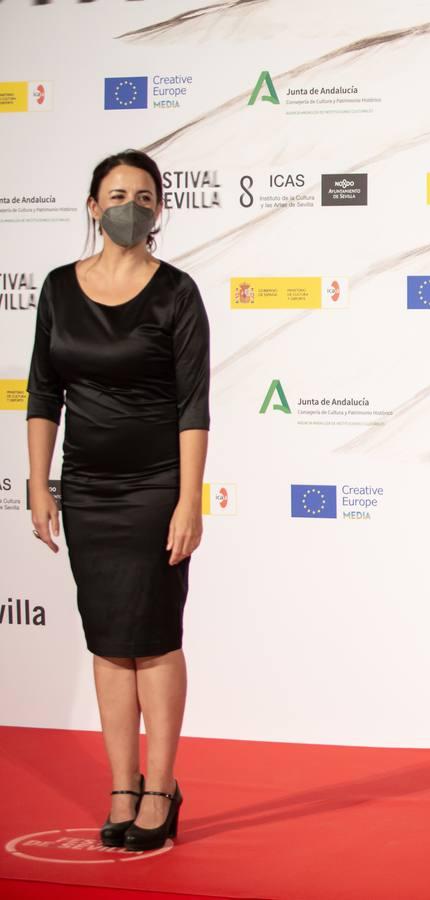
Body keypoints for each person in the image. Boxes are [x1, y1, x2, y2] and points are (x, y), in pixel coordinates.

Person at [27, 150, 210, 852]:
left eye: (143, 194)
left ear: (159, 209)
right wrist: (40, 483)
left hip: (157, 486)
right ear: (93, 206)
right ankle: (123, 786)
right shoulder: (57, 289)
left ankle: (160, 788)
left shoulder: (176, 293)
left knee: (154, 641)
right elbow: (44, 392)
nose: (129, 204)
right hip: (88, 492)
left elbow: (194, 406)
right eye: (116, 193)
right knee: (108, 641)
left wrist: (188, 501)